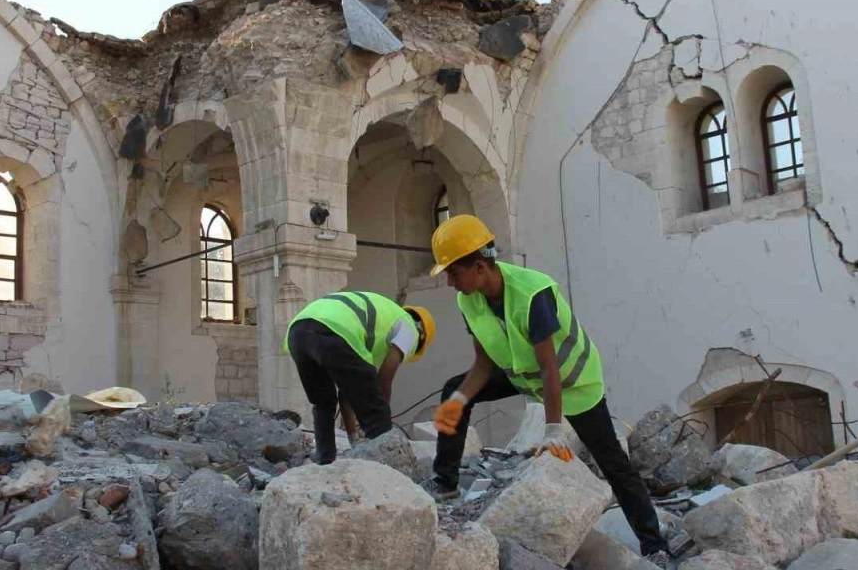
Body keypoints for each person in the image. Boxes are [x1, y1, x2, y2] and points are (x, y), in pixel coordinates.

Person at [424, 215, 672, 567]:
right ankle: (445, 482)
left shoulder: (533, 294)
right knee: (453, 389)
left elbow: (549, 367)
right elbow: (482, 363)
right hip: (521, 374)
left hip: (573, 383)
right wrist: (460, 400)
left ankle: (654, 544)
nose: (450, 282)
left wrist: (553, 430)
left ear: (479, 267)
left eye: (453, 272)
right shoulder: (470, 300)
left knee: (613, 462)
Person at [284, 291, 435, 464]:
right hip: (334, 329)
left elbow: (348, 391)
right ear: (421, 335)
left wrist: (353, 437)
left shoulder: (383, 321)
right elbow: (386, 376)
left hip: (297, 333)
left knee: (323, 403)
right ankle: (386, 471)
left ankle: (325, 462)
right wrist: (380, 417)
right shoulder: (410, 327)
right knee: (377, 414)